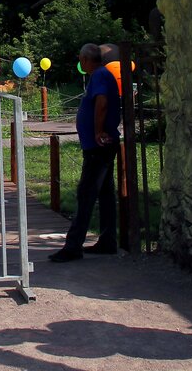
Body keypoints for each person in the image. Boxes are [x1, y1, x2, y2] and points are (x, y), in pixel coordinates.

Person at [51, 43, 122, 262]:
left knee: (86, 193)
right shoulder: (102, 74)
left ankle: (73, 246)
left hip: (98, 146)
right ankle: (108, 240)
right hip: (100, 145)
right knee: (105, 193)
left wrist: (98, 131)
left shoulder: (99, 76)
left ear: (84, 60)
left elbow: (102, 102)